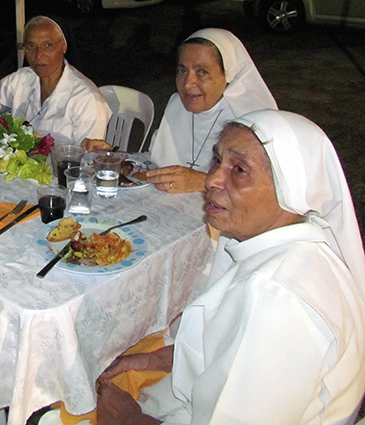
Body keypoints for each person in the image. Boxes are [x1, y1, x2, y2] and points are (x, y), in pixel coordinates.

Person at [94, 109, 365, 425]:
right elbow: (227, 348)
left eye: (239, 170)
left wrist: (124, 418)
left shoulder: (280, 302)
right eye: (217, 161)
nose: (211, 180)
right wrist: (153, 360)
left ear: (290, 189)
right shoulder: (283, 247)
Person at [82, 28, 277, 194]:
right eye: (182, 70)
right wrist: (114, 156)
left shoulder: (251, 124)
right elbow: (157, 160)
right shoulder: (178, 104)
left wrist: (202, 181)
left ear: (229, 74)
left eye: (202, 72)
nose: (188, 83)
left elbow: (267, 191)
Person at [0, 15, 110, 146]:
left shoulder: (86, 98)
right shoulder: (22, 79)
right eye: (31, 46)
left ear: (64, 46)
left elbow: (90, 158)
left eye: (48, 45)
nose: (39, 54)